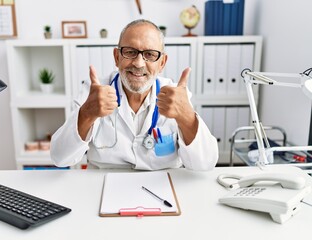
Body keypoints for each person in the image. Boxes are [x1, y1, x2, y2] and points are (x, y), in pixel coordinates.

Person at [51, 19, 218, 170]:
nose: (138, 63)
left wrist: (187, 117)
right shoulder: (94, 92)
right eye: (130, 52)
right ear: (117, 57)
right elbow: (60, 158)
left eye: (150, 54)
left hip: (163, 187)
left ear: (162, 63)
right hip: (103, 187)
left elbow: (205, 164)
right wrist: (87, 114)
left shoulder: (176, 95)